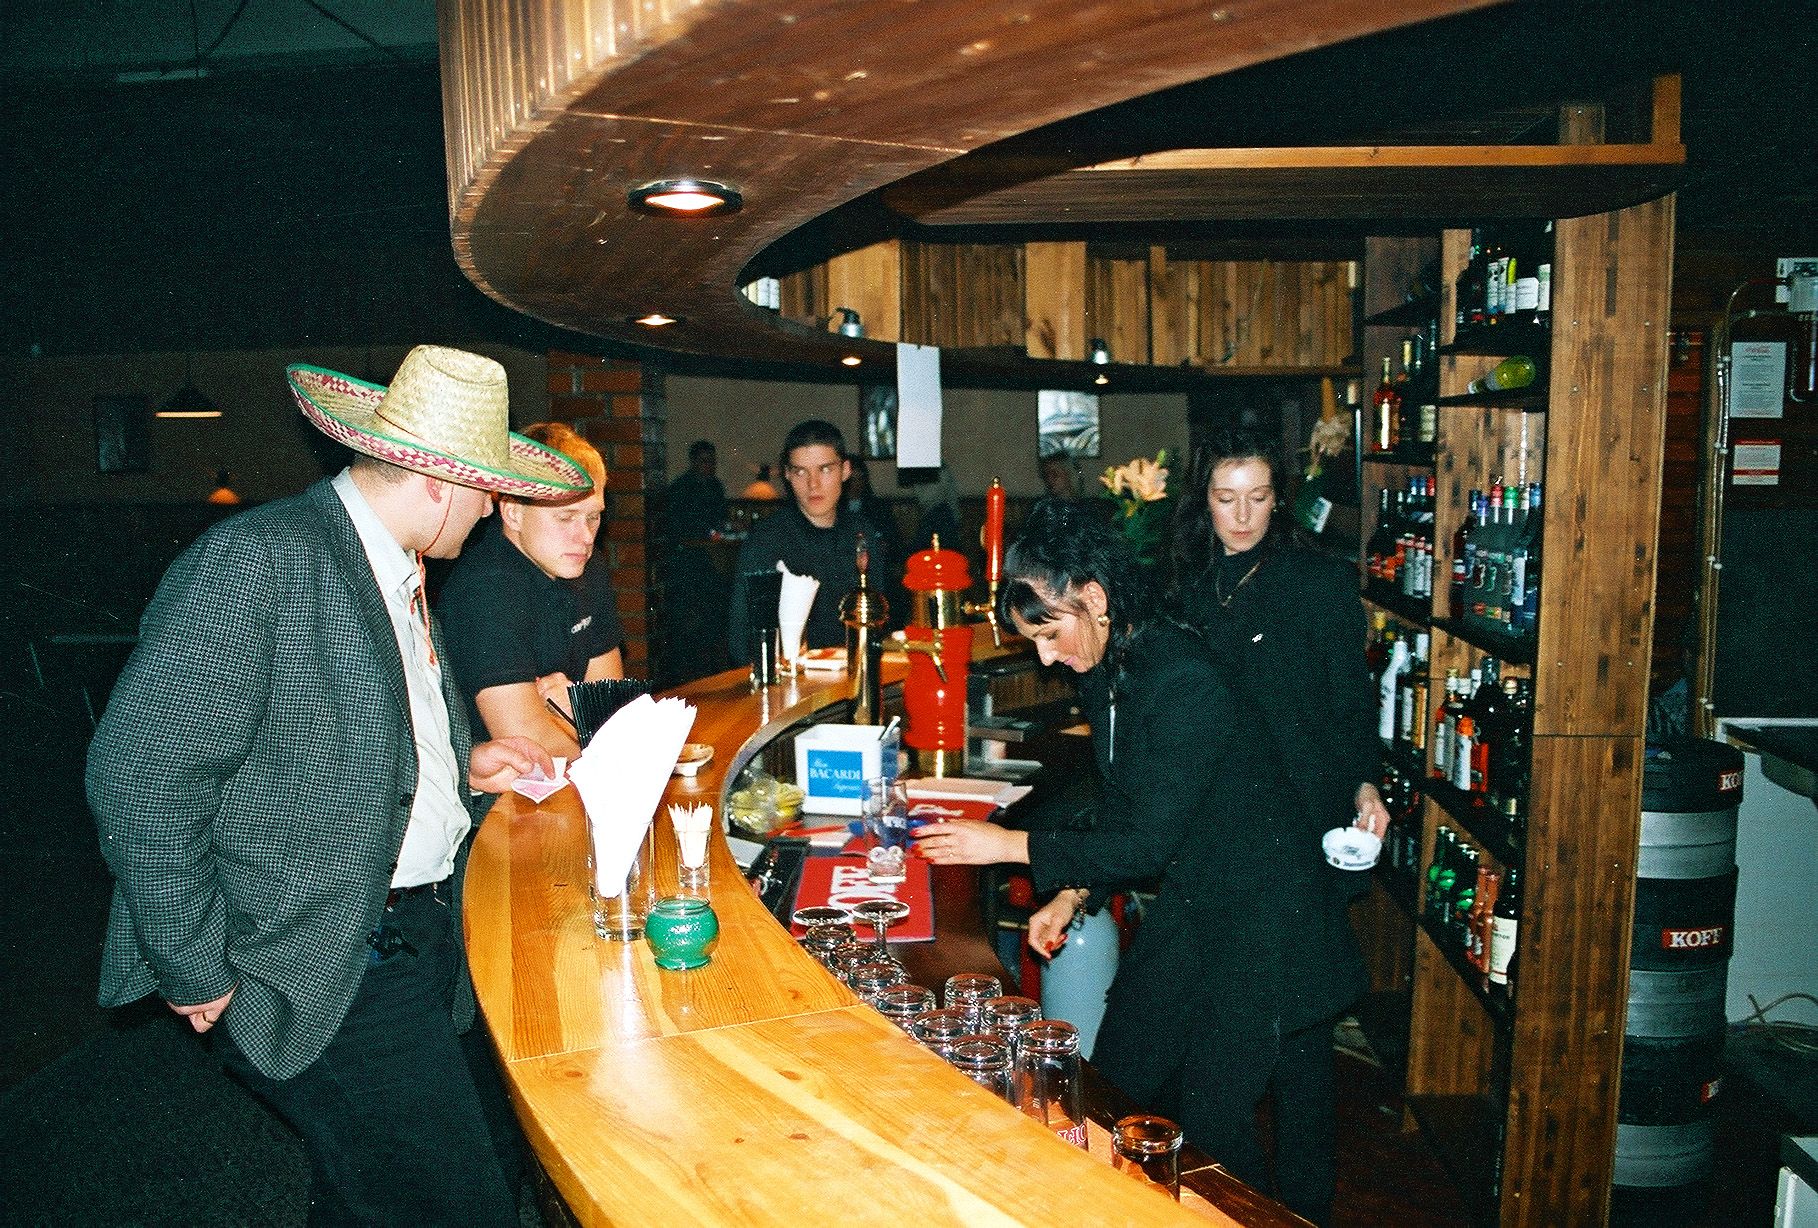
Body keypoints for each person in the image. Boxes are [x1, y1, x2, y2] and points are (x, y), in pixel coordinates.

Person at [86, 345, 582, 1227]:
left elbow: (330, 739)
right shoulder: (263, 557)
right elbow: (141, 773)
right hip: (317, 957)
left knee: (405, 1184)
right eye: (485, 490)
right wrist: (191, 961)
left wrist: (459, 771)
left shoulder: (393, 562)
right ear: (440, 482)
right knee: (456, 1203)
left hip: (414, 934)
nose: (489, 510)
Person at [915, 498, 1366, 1227]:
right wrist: (1075, 892)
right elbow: (1129, 804)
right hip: (1202, 898)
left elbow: (1148, 842)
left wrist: (1009, 845)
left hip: (1268, 918)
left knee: (1212, 1120)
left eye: (1050, 632)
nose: (1045, 657)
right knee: (1114, 1076)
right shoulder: (1112, 665)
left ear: (1094, 599)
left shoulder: (1184, 678)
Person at [1170, 426, 1390, 848]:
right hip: (1212, 806)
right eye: (1226, 499)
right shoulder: (1188, 584)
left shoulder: (1319, 582)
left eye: (1257, 498)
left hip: (1299, 802)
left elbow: (1352, 698)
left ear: (1276, 500)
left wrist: (1366, 785)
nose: (1242, 517)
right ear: (1204, 502)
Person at [438, 421, 625, 759]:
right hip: (494, 785)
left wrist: (574, 712)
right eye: (565, 518)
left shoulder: (586, 564)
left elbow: (614, 712)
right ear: (513, 513)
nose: (585, 537)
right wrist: (582, 717)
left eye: (593, 517)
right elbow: (529, 744)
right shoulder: (484, 588)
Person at [727, 419, 890, 664]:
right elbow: (741, 640)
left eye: (825, 469)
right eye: (801, 472)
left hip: (856, 672)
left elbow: (880, 624)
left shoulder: (862, 533)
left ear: (845, 471)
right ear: (787, 475)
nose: (813, 485)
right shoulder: (766, 540)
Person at [664, 439, 728, 543]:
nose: (709, 465)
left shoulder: (716, 486)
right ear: (693, 462)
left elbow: (722, 516)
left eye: (712, 461)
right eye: (704, 461)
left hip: (711, 543)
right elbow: (680, 524)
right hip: (687, 544)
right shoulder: (680, 487)